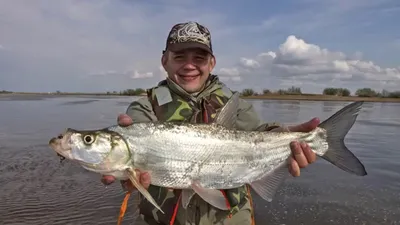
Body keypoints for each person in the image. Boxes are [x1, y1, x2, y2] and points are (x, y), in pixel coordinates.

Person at [101, 21, 318, 225]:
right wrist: (129, 177)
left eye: (199, 58)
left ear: (211, 63)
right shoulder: (144, 108)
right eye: (179, 57)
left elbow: (260, 133)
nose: (189, 65)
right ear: (164, 61)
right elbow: (131, 162)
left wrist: (289, 137)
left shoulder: (236, 104)